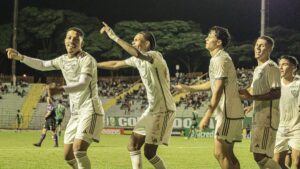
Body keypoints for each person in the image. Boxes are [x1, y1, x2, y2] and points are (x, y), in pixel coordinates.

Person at [6, 27, 104, 169]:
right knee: (68, 156)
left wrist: (59, 89)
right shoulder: (62, 60)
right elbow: (43, 64)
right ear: (65, 40)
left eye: (76, 38)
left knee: (79, 150)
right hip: (76, 113)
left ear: (82, 43)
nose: (72, 41)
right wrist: (21, 57)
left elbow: (83, 85)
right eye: (69, 37)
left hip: (90, 108)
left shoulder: (87, 60)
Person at [97, 22, 176, 169]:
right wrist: (94, 64)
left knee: (149, 153)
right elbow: (115, 64)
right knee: (133, 145)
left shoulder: (154, 56)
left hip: (163, 109)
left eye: (137, 39)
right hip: (153, 109)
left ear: (147, 43)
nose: (133, 42)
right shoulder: (137, 59)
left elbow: (136, 53)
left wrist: (113, 36)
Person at [175, 26, 244, 169]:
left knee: (219, 153)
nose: (206, 38)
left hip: (227, 111)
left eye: (210, 36)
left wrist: (207, 115)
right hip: (229, 111)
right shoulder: (218, 59)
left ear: (218, 42)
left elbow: (218, 90)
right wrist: (189, 88)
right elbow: (212, 84)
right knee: (228, 155)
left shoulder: (220, 59)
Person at [239, 35, 281, 169]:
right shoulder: (258, 69)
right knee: (259, 157)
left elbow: (277, 93)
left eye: (262, 45)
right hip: (259, 116)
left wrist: (251, 98)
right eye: (256, 44)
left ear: (269, 49)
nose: (257, 47)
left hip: (267, 118)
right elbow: (253, 90)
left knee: (260, 156)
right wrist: (239, 93)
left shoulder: (271, 67)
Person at [273, 55, 300, 169]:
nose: (281, 67)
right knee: (277, 163)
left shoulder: (298, 83)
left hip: (297, 127)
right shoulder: (275, 84)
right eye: (279, 65)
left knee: (297, 162)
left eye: (284, 64)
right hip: (280, 127)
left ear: (294, 67)